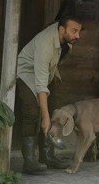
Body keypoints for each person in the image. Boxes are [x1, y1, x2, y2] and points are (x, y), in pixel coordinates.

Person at [16, 15, 82, 174]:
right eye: (74, 31)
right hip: (27, 74)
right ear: (61, 29)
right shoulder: (45, 45)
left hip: (45, 73)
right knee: (32, 112)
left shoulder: (67, 41)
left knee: (50, 109)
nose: (77, 35)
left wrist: (47, 114)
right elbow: (40, 86)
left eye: (79, 31)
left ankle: (47, 156)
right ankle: (29, 162)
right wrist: (44, 117)